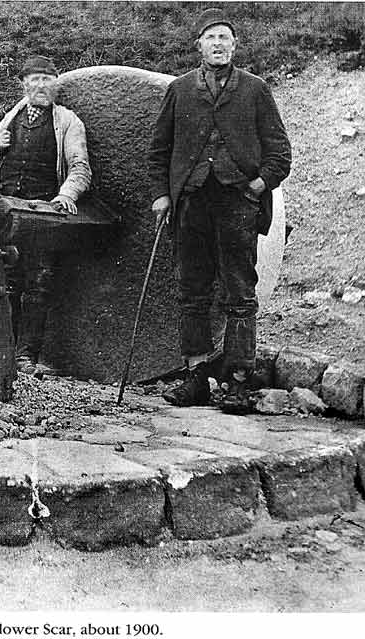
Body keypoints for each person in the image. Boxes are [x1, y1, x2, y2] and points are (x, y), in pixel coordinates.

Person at [147, 8, 291, 413]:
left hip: (237, 204)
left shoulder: (255, 89)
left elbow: (279, 152)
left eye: (224, 38)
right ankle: (195, 376)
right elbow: (158, 151)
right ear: (198, 46)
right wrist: (162, 195)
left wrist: (256, 187)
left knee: (240, 293)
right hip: (191, 203)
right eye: (210, 38)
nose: (217, 44)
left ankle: (239, 382)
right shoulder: (179, 89)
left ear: (234, 45)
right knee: (191, 292)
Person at [0, 55, 92, 375]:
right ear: (24, 85)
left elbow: (80, 168)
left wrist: (66, 195)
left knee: (39, 283)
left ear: (56, 84)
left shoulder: (68, 122)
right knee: (4, 282)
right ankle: (2, 350)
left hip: (43, 214)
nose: (41, 86)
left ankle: (25, 356)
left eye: (47, 79)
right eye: (34, 80)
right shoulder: (9, 119)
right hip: (5, 211)